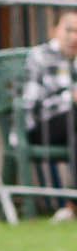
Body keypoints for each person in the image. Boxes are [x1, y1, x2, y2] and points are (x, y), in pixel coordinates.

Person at [21, 12, 77, 213]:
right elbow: (32, 104)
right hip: (42, 126)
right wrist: (70, 99)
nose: (74, 37)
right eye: (69, 29)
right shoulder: (40, 56)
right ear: (54, 31)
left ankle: (72, 206)